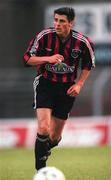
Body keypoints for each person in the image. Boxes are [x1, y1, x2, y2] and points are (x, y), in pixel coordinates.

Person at [23, 7, 95, 171]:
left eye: (62, 21)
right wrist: (49, 58)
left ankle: (44, 149)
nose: (57, 24)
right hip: (45, 84)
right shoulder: (44, 37)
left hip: (67, 89)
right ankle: (41, 171)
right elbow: (27, 59)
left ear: (71, 23)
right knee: (43, 128)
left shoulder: (83, 42)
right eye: (55, 20)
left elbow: (88, 64)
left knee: (54, 138)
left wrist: (79, 84)